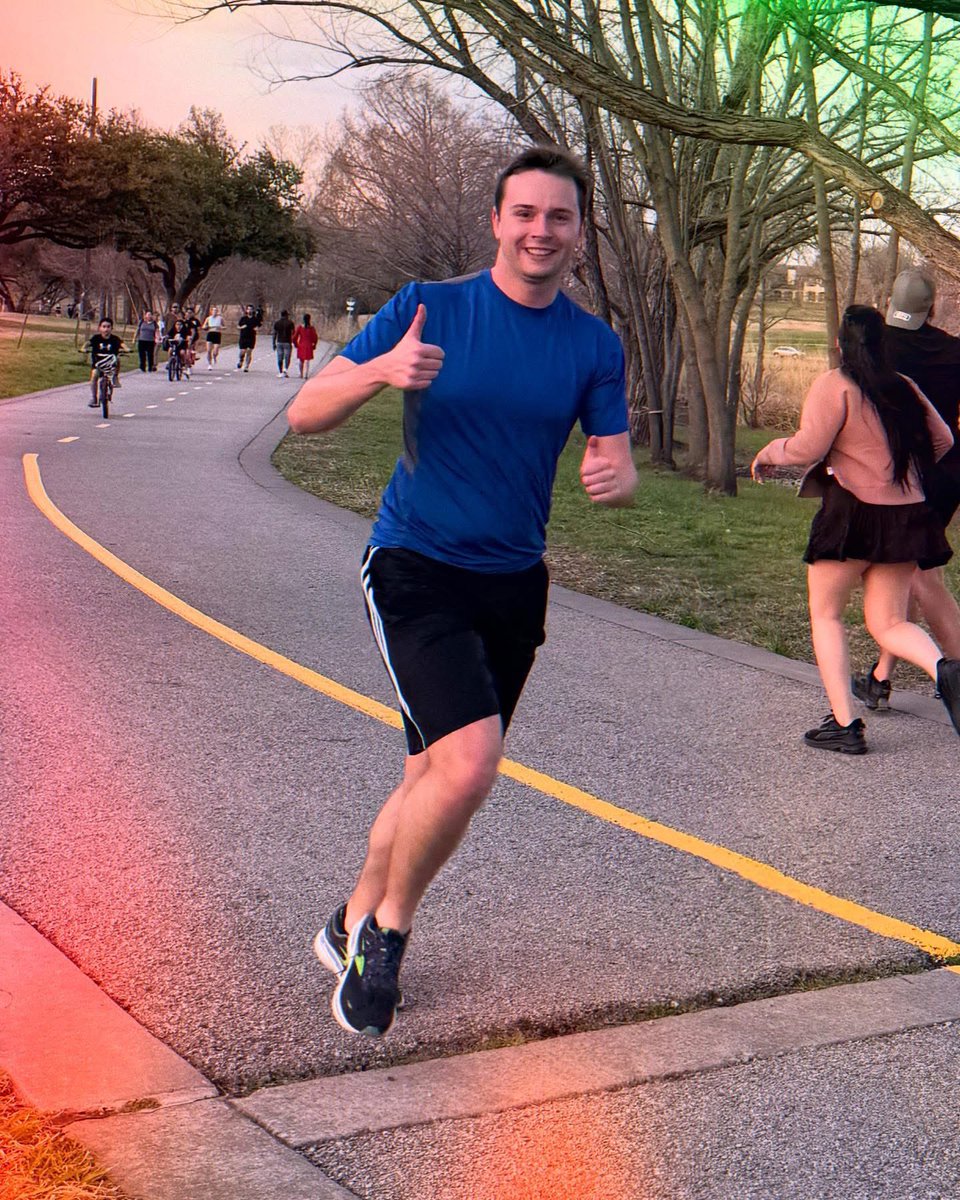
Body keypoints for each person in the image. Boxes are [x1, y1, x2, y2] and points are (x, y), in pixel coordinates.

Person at [288, 145, 637, 1038]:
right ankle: (386, 937)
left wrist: (614, 475)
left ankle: (343, 920)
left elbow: (614, 455)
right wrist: (378, 373)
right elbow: (304, 414)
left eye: (559, 217)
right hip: (414, 564)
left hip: (514, 582)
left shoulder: (595, 345)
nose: (540, 231)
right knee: (472, 763)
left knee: (429, 776)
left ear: (579, 235)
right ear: (496, 220)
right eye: (524, 213)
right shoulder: (428, 308)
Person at [751, 304, 960, 754]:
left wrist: (770, 450)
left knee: (827, 615)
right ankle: (946, 669)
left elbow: (809, 445)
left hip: (852, 516)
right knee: (888, 622)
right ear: (884, 345)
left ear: (840, 344)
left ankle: (844, 724)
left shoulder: (836, 385)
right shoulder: (904, 387)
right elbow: (943, 440)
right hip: (906, 517)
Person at [851, 270, 960, 710]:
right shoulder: (954, 350)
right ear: (932, 308)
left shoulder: (876, 349)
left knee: (922, 578)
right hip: (949, 471)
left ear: (885, 300)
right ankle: (879, 679)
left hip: (903, 476)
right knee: (907, 576)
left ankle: (955, 678)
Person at [84, 318, 126, 407]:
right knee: (94, 376)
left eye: (108, 327)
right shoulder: (96, 338)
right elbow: (88, 343)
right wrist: (84, 348)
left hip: (111, 364)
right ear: (100, 328)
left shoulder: (115, 339)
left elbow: (122, 344)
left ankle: (115, 377)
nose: (106, 329)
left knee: (117, 358)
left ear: (111, 328)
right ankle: (94, 398)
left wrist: (127, 349)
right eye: (104, 327)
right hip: (98, 364)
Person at [293, 313, 319, 378]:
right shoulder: (311, 328)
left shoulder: (300, 327)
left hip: (301, 345)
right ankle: (306, 374)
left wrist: (296, 344)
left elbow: (294, 337)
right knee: (307, 360)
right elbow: (315, 337)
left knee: (301, 361)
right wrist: (314, 344)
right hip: (309, 345)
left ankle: (301, 374)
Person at [237, 304, 261, 371]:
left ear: (252, 310)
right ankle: (241, 360)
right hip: (243, 337)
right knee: (243, 351)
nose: (249, 310)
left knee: (249, 351)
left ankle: (246, 366)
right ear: (246, 310)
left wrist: (257, 328)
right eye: (248, 309)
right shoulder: (243, 318)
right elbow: (238, 326)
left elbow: (258, 326)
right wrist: (242, 327)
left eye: (251, 309)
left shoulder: (255, 319)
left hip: (251, 337)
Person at [273, 309, 295, 377]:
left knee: (280, 357)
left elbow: (274, 334)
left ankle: (280, 371)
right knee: (287, 356)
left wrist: (273, 343)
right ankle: (285, 369)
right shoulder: (290, 323)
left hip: (279, 341)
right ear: (286, 315)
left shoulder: (277, 323)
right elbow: (293, 332)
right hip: (287, 342)